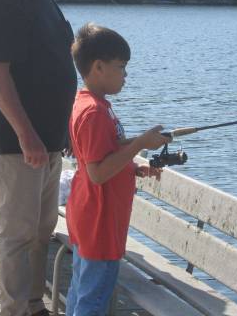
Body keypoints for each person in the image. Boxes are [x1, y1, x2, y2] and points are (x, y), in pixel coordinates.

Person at [0, 0, 77, 316]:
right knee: (18, 232)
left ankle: (34, 304)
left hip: (50, 137)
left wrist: (65, 123)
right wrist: (26, 135)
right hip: (21, 141)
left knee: (41, 229)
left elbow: (58, 64)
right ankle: (14, 309)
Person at [65, 23, 170, 316]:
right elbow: (97, 172)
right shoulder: (95, 112)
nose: (126, 75)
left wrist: (134, 165)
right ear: (98, 67)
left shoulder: (91, 103)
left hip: (90, 216)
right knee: (93, 301)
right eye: (121, 67)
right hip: (100, 222)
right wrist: (139, 145)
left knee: (81, 290)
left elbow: (104, 153)